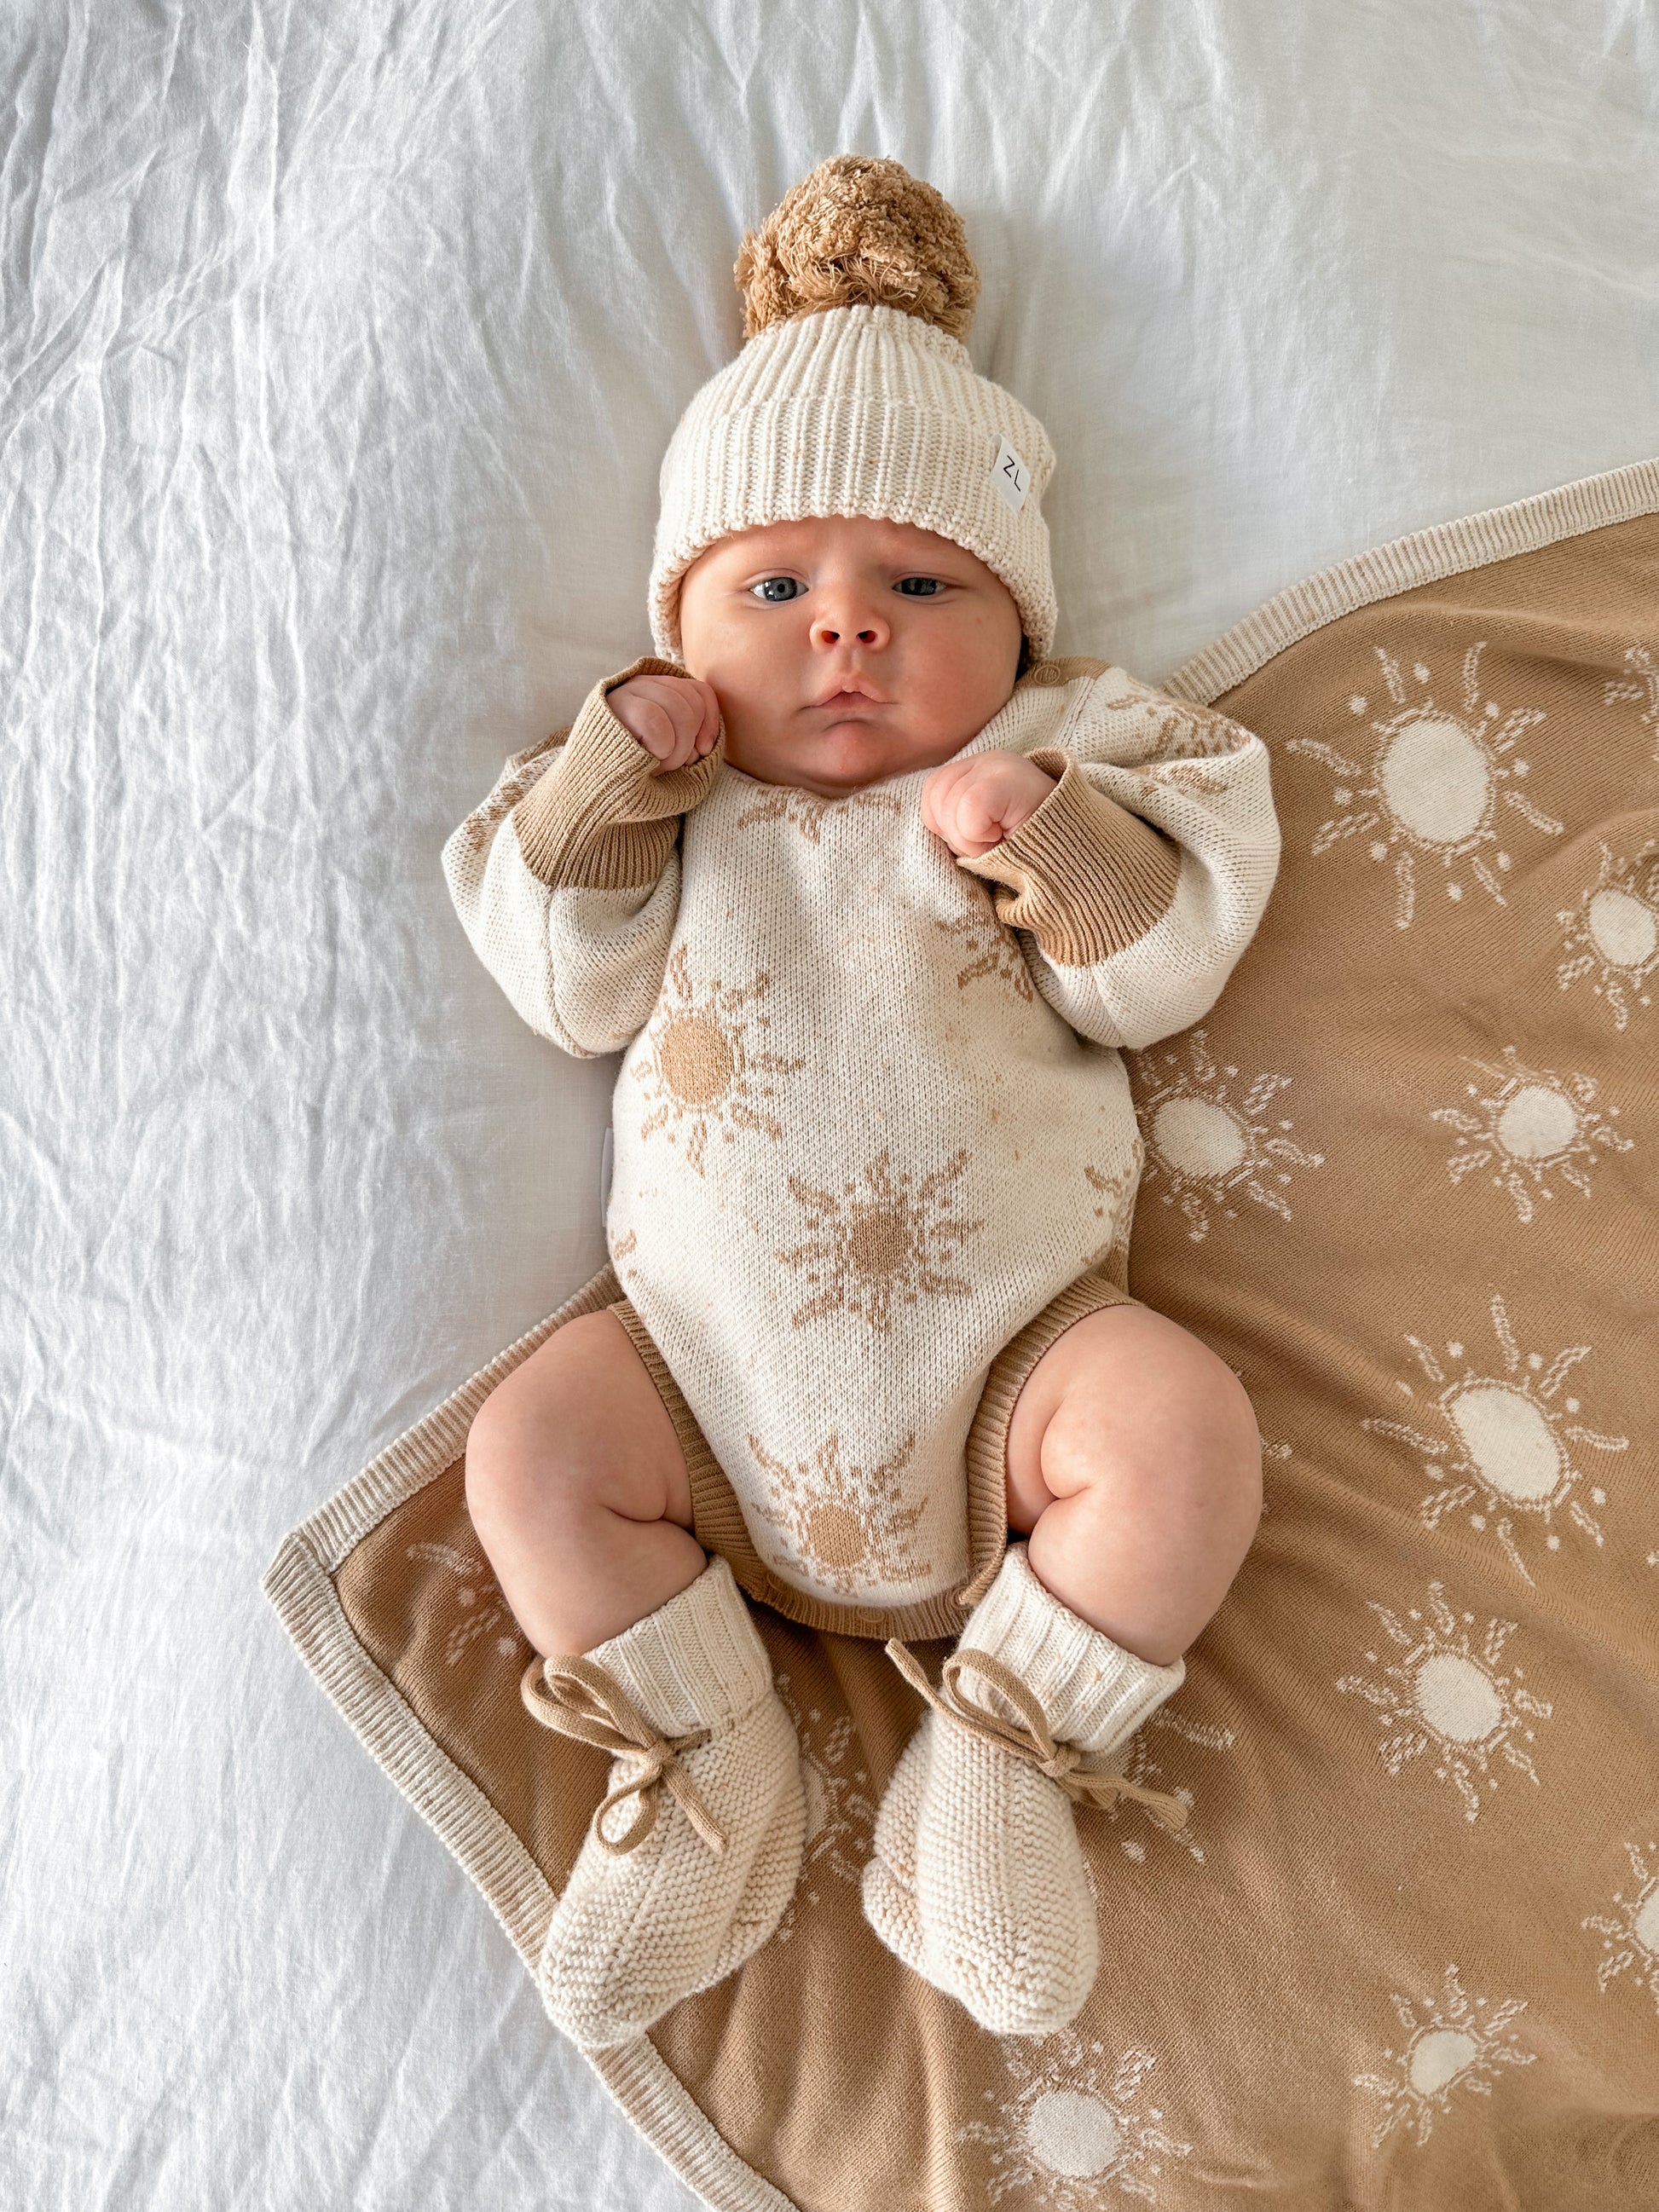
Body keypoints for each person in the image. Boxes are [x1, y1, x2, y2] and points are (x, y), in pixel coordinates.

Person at [443, 155, 1280, 2050]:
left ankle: (997, 1756)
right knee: (531, 1448)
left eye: (919, 582)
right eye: (773, 587)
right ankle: (706, 1758)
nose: (845, 627)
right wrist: (606, 783)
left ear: (1019, 620)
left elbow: (1157, 968)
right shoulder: (667, 797)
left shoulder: (1067, 752)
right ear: (682, 626)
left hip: (1016, 1371)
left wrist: (1049, 834)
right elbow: (562, 983)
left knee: (1182, 1434)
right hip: (695, 1379)